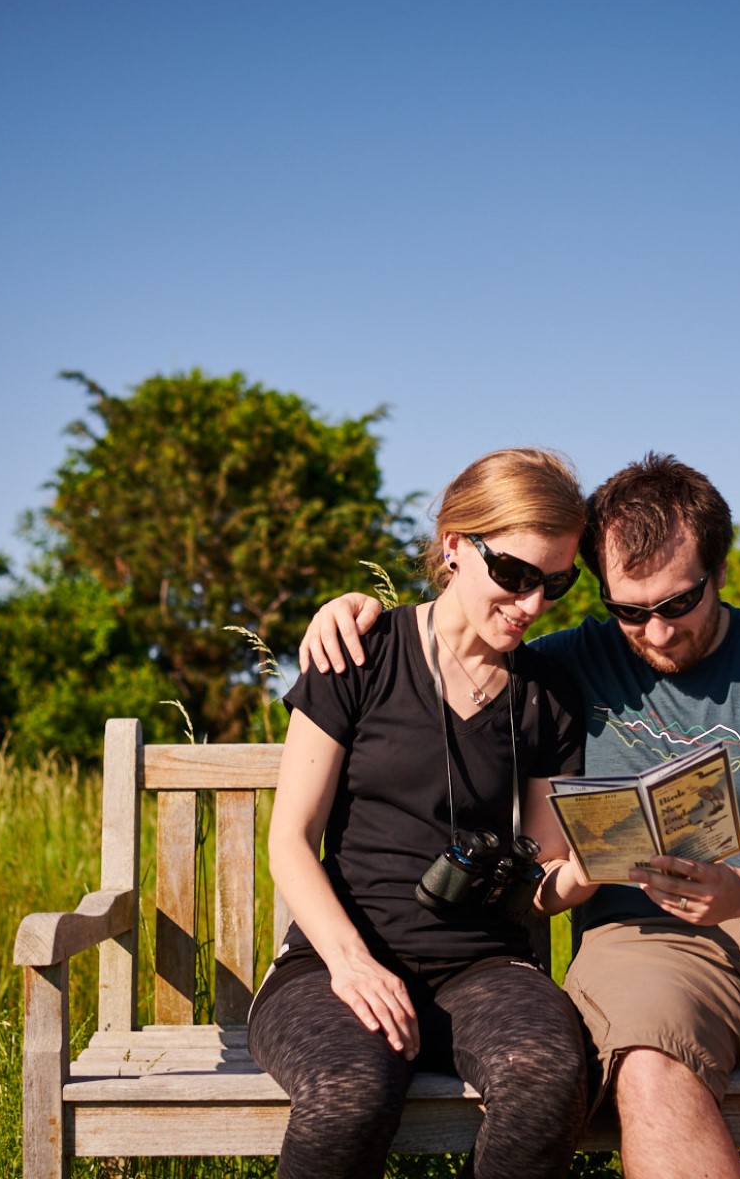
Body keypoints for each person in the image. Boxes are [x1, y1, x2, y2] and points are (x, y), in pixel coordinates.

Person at [299, 452, 740, 1179]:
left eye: (678, 604)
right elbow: (452, 638)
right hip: (643, 936)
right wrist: (352, 610)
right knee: (649, 1065)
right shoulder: (557, 669)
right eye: (628, 611)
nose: (655, 633)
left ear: (720, 571)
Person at [250, 447, 593, 1179]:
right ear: (455, 547)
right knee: (349, 1092)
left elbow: (539, 878)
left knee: (550, 1076)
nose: (531, 604)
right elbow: (289, 839)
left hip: (485, 965)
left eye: (555, 584)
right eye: (514, 574)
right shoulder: (360, 653)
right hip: (332, 963)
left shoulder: (550, 694)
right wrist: (352, 963)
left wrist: (585, 876)